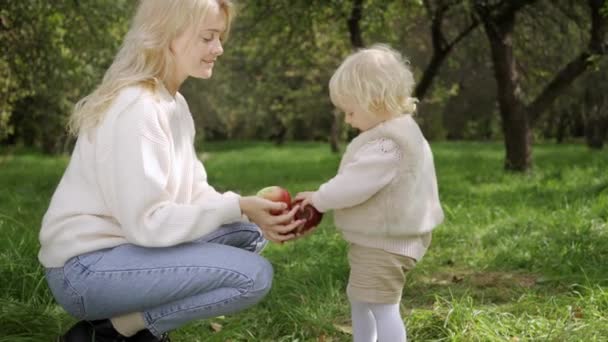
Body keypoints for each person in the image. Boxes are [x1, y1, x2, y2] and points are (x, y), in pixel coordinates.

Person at [39, 1, 304, 341]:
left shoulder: (173, 104)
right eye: (208, 37)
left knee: (250, 232)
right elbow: (148, 223)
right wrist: (236, 206)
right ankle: (112, 331)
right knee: (253, 277)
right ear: (168, 36)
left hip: (125, 250)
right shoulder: (138, 108)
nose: (219, 48)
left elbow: (194, 192)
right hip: (85, 269)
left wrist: (250, 208)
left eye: (219, 37)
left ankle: (133, 327)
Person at [295, 44, 444, 342]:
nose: (348, 120)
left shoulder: (387, 145)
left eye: (350, 111)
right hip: (387, 239)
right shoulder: (402, 132)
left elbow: (354, 185)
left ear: (375, 101)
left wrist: (318, 198)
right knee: (361, 298)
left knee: (382, 306)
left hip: (385, 242)